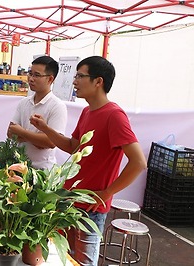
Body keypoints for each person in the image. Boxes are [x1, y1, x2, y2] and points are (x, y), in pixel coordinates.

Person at [30, 56, 147, 265]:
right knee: (63, 258)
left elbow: (138, 162)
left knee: (83, 262)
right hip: (69, 200)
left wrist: (107, 193)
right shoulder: (87, 111)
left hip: (90, 208)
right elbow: (73, 146)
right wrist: (46, 128)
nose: (74, 81)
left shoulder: (115, 116)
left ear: (98, 81)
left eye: (80, 76)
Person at [7, 55, 67, 170]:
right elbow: (11, 132)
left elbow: (51, 142)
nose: (31, 78)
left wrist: (23, 133)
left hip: (42, 170)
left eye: (37, 75)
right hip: (18, 167)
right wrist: (37, 139)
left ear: (50, 79)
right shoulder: (24, 102)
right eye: (30, 73)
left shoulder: (57, 106)